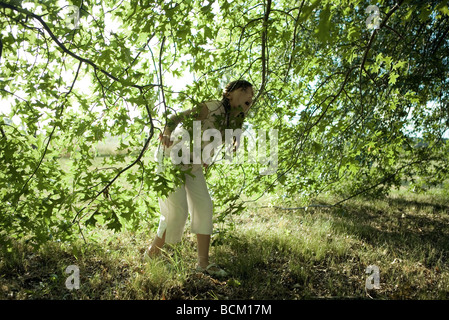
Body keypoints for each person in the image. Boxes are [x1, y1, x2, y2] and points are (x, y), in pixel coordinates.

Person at [144, 80, 254, 277]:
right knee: (178, 211)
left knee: (204, 207)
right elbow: (176, 117)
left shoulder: (234, 118)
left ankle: (203, 264)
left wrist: (208, 155)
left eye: (251, 95)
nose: (250, 96)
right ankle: (152, 254)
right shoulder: (211, 108)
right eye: (244, 91)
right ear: (228, 95)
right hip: (172, 157)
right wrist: (167, 131)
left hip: (193, 165)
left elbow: (211, 138)